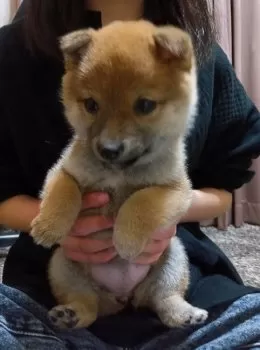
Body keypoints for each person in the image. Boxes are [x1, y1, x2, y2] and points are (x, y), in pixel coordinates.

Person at [0, 0, 259, 349]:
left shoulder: (196, 51)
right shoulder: (12, 53)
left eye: (145, 105)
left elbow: (223, 183)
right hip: (46, 285)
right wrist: (60, 222)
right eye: (92, 106)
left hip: (176, 267)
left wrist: (162, 212)